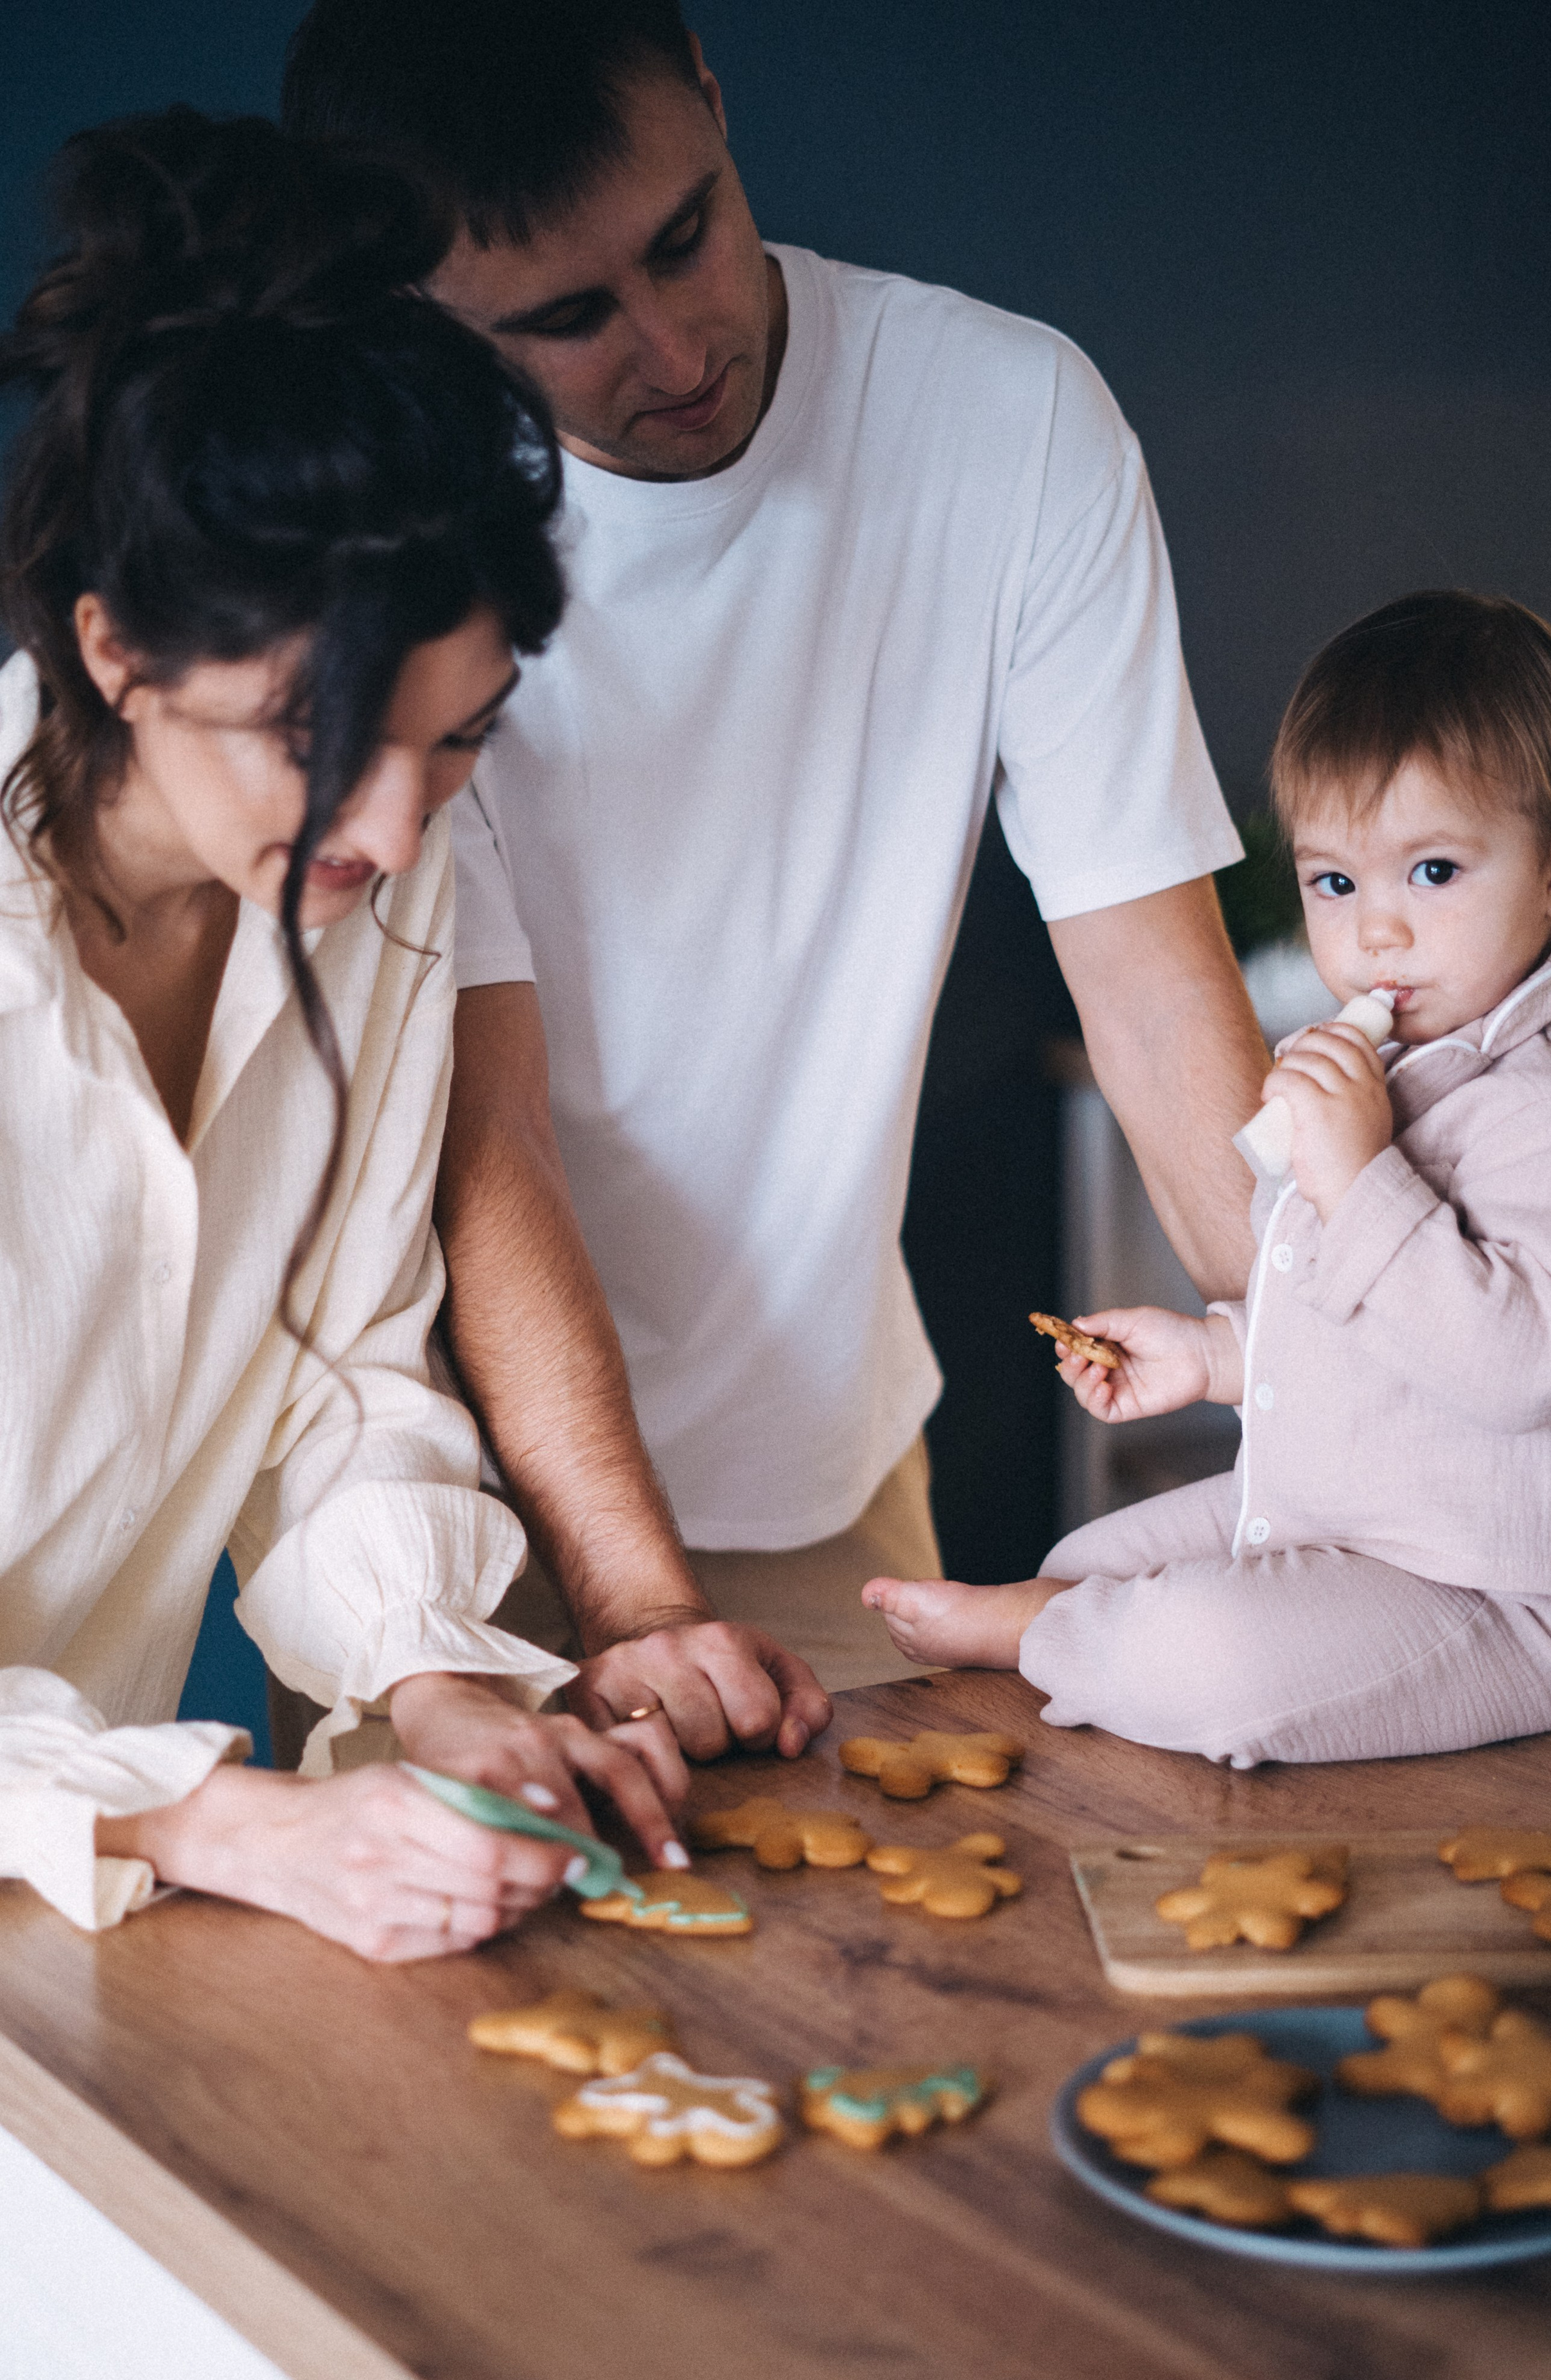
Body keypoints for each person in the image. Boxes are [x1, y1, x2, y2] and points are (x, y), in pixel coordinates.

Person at [281, 0, 1272, 1734]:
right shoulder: (399, 528)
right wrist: (642, 1600)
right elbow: (485, 1132)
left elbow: (1155, 996)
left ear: (716, 107)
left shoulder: (1009, 420)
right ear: (416, 301)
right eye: (571, 318)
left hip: (831, 1468)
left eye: (690, 234)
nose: (676, 347)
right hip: (434, 1522)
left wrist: (1377, 1430)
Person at [0, 107, 690, 1954]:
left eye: (457, 736)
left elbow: (348, 1364)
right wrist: (226, 1824)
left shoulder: (377, 881)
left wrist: (434, 1680)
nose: (388, 827)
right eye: (318, 737)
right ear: (113, 651)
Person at [867, 590, 1551, 1765]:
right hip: (1343, 1511)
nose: (1376, 933)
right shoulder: (1395, 1061)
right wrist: (1218, 1352)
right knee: (1087, 1560)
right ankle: (1063, 1621)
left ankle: (1061, 1643)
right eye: (1336, 885)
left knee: (1205, 1655)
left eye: (1432, 871)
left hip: (1495, 1594)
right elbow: (1360, 1325)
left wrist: (1361, 1170)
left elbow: (1518, 1369)